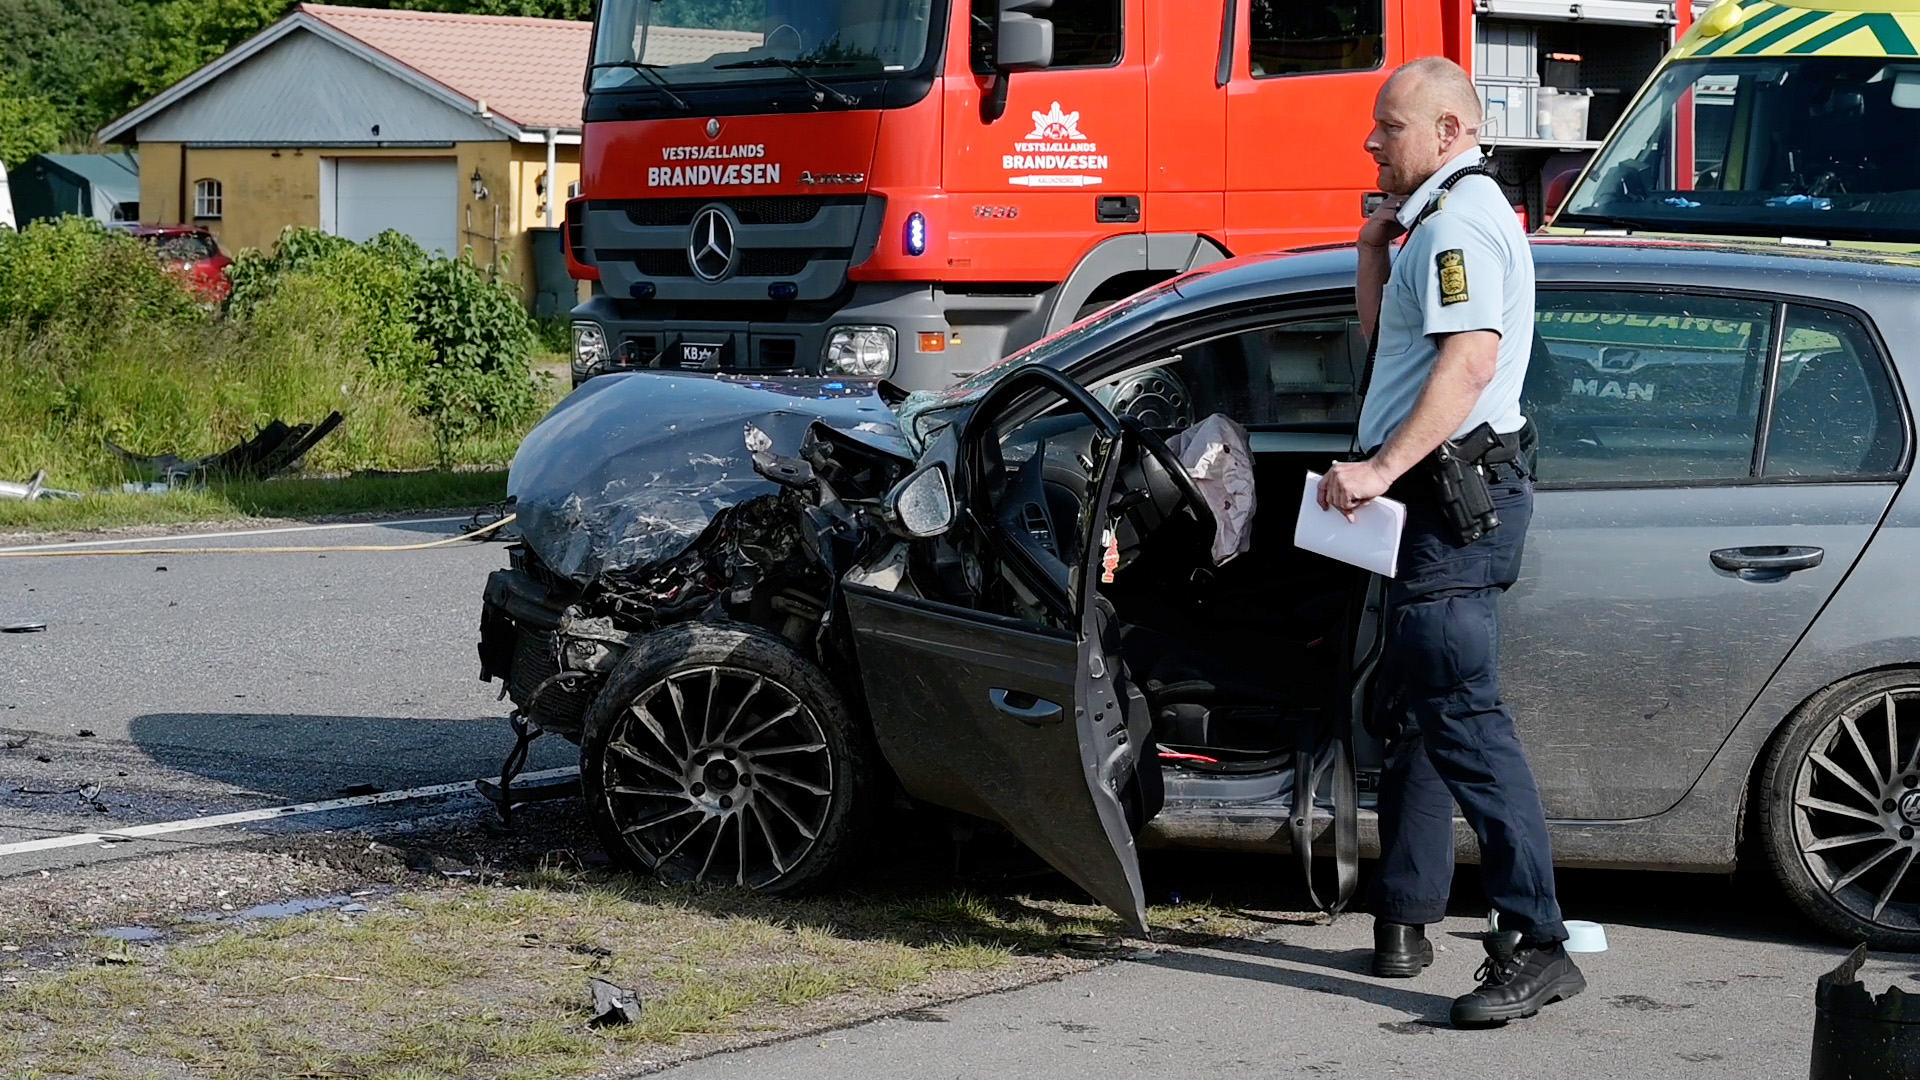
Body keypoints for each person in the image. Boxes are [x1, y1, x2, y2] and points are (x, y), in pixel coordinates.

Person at [1316, 56, 1584, 1028]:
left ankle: (1539, 941)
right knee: (1428, 707)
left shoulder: (1462, 222)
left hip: (1445, 505)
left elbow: (1467, 365)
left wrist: (1381, 472)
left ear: (1448, 131)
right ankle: (1408, 914)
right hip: (1440, 509)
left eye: (1388, 126)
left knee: (1465, 720)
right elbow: (1396, 345)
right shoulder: (1433, 223)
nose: (1372, 141)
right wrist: (1372, 255)